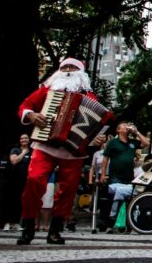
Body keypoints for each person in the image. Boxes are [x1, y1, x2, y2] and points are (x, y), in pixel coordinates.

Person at [17, 57, 109, 245]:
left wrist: (96, 138)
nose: (68, 70)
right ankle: (28, 226)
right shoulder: (46, 90)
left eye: (72, 67)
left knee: (68, 190)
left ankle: (56, 229)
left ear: (81, 73)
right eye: (64, 67)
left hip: (73, 150)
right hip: (45, 144)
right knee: (34, 180)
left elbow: (98, 123)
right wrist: (32, 115)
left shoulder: (89, 98)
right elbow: (25, 106)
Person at [100, 122, 150, 230]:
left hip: (129, 176)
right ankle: (112, 220)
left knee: (128, 197)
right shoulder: (113, 143)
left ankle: (125, 221)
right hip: (116, 176)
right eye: (124, 125)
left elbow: (146, 144)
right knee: (117, 196)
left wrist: (136, 132)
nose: (127, 127)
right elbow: (105, 159)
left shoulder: (132, 142)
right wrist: (103, 174)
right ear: (118, 130)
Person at [0, 134, 31, 231]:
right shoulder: (15, 150)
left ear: (29, 140)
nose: (24, 140)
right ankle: (6, 222)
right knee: (9, 201)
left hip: (25, 180)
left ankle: (15, 222)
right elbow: (14, 161)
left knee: (19, 202)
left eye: (25, 138)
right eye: (22, 138)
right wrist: (23, 153)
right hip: (13, 180)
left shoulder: (32, 151)